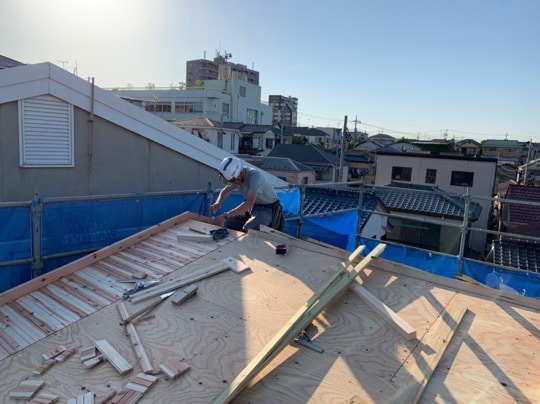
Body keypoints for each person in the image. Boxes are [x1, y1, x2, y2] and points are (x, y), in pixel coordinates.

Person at [212, 156, 283, 232]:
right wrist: (218, 202)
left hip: (268, 209)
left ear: (240, 173)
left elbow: (249, 204)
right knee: (228, 224)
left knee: (250, 229)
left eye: (233, 180)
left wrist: (225, 216)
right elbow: (226, 191)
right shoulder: (236, 177)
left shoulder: (256, 176)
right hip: (252, 208)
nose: (232, 183)